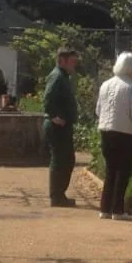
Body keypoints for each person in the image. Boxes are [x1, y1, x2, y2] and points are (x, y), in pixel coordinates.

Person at [95, 52, 132, 220]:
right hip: (126, 133)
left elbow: (98, 110)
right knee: (123, 171)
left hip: (106, 131)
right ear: (131, 69)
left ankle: (105, 208)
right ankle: (118, 210)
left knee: (110, 170)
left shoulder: (105, 85)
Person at [42, 48, 80, 207]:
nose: (74, 65)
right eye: (72, 62)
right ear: (62, 61)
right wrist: (54, 116)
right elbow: (48, 98)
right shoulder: (57, 76)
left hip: (63, 126)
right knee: (59, 160)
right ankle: (56, 196)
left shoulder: (63, 76)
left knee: (67, 159)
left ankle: (59, 194)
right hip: (57, 126)